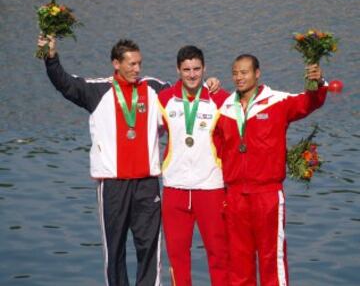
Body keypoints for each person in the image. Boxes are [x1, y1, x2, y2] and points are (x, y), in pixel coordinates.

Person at [37, 35, 220, 286]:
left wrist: (209, 84)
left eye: (139, 64)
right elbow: (65, 84)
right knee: (115, 250)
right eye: (131, 64)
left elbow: (187, 88)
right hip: (113, 184)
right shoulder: (97, 90)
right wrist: (50, 57)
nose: (137, 69)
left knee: (149, 248)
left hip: (147, 183)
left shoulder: (154, 88)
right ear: (116, 63)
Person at [214, 54, 327, 286]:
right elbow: (217, 146)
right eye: (235, 73)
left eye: (244, 72)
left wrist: (318, 83)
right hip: (235, 195)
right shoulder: (225, 108)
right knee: (239, 262)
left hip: (267, 194)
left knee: (271, 260)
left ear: (257, 74)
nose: (239, 78)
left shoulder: (277, 101)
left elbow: (308, 102)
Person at [157, 45, 230, 286]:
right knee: (177, 258)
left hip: (211, 187)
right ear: (178, 70)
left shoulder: (220, 99)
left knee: (219, 255)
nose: (192, 75)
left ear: (205, 68)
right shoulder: (164, 99)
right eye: (186, 69)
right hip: (175, 189)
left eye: (197, 69)